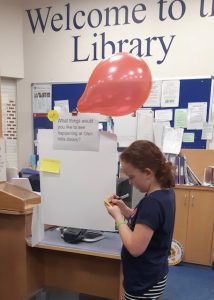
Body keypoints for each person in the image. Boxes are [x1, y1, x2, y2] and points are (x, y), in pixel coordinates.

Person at [105, 140, 175, 300]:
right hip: (155, 273)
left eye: (131, 177)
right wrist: (124, 209)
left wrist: (118, 218)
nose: (130, 182)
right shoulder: (164, 193)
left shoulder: (153, 203)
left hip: (144, 280)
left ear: (148, 173)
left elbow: (135, 248)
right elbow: (144, 222)